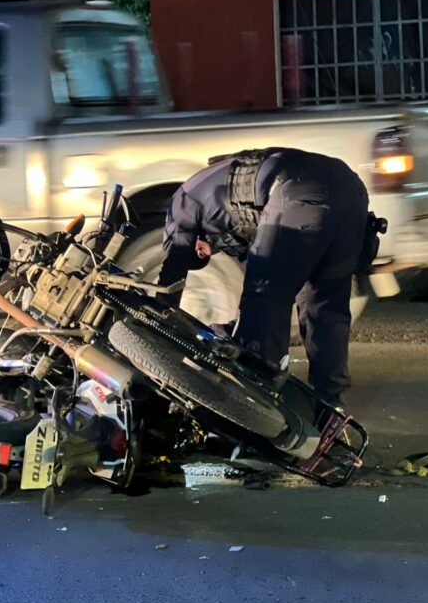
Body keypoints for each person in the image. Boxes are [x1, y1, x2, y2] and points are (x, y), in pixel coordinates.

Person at [158, 148, 374, 408]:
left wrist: (160, 321)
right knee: (324, 307)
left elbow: (172, 271)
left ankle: (259, 404)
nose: (205, 253)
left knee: (264, 299)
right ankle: (330, 406)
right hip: (349, 186)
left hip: (298, 189)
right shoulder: (230, 201)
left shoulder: (184, 199)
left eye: (201, 253)